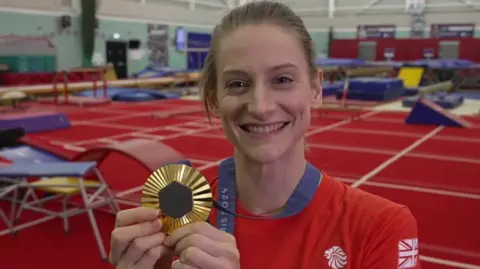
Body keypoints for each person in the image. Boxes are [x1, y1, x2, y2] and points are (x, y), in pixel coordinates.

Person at [108, 1, 421, 269]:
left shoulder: (380, 227)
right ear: (214, 98)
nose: (260, 106)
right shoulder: (176, 212)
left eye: (282, 79)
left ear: (315, 88)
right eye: (237, 84)